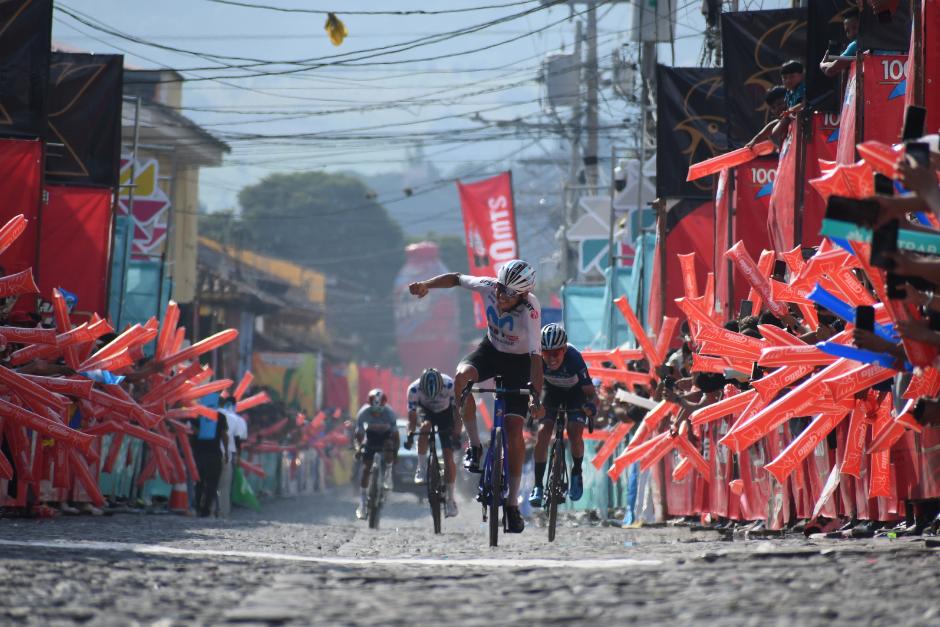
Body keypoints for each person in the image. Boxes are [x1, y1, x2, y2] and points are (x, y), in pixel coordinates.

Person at [408, 259, 543, 533]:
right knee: (461, 377)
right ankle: (474, 445)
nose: (502, 297)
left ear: (524, 295)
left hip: (519, 364)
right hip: (491, 352)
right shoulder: (489, 286)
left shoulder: (531, 310)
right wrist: (426, 285)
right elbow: (456, 278)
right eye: (502, 290)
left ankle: (513, 504)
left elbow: (536, 358)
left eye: (510, 294)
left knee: (514, 430)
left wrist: (535, 396)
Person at [528, 324, 597, 508]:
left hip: (575, 394)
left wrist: (591, 407)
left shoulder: (574, 359)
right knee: (543, 434)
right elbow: (533, 389)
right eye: (546, 353)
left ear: (564, 349)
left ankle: (576, 472)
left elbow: (592, 393)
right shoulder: (538, 360)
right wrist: (533, 403)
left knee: (574, 432)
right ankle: (538, 485)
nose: (551, 359)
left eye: (556, 353)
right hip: (551, 392)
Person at [404, 367, 460, 517]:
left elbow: (458, 411)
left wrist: (457, 432)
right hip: (426, 412)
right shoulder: (414, 389)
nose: (434, 398)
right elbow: (412, 415)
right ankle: (421, 468)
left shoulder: (450, 385)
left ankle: (450, 499)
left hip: (445, 414)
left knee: (449, 457)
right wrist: (410, 433)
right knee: (425, 427)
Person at [354, 388, 399, 520]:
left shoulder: (390, 413)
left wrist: (395, 454)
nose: (377, 415)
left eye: (379, 411)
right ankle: (362, 503)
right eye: (374, 412)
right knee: (366, 468)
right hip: (371, 437)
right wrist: (358, 448)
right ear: (369, 405)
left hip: (386, 437)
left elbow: (396, 436)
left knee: (389, 446)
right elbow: (359, 435)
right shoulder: (363, 413)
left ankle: (388, 474)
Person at [218, 398, 247, 518]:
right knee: (225, 486)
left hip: (210, 451)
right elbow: (239, 440)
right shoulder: (237, 419)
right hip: (228, 454)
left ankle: (209, 509)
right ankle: (224, 512)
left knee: (210, 483)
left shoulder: (209, 413)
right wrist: (238, 457)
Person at [819, 8, 860, 77]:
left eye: (854, 28)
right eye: (847, 31)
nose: (851, 33)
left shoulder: (855, 45)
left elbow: (830, 70)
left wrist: (822, 64)